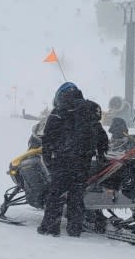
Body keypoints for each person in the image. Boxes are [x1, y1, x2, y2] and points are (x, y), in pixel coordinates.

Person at [38, 82, 94, 237]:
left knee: (56, 194)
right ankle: (75, 228)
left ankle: (50, 227)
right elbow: (96, 133)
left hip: (64, 159)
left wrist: (48, 158)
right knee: (76, 195)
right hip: (83, 161)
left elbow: (48, 137)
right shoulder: (87, 109)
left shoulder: (59, 111)